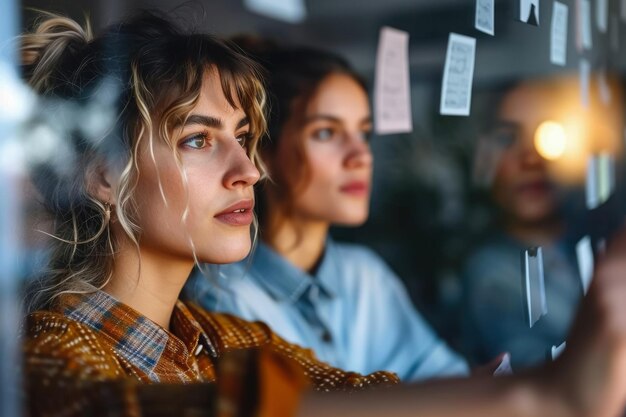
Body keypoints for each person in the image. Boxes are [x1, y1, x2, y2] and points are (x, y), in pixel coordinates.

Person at [20, 11, 626, 417]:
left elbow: (367, 392)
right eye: (198, 140)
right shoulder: (47, 355)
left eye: (244, 137)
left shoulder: (216, 337)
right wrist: (539, 396)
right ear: (100, 173)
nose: (248, 170)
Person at [185, 41, 470, 381]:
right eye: (326, 132)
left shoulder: (366, 276)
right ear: (262, 152)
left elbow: (444, 376)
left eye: (363, 133)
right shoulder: (222, 297)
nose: (360, 156)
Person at [462, 77, 622, 369]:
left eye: (550, 136)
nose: (531, 158)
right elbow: (537, 376)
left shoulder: (601, 239)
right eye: (507, 138)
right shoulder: (490, 273)